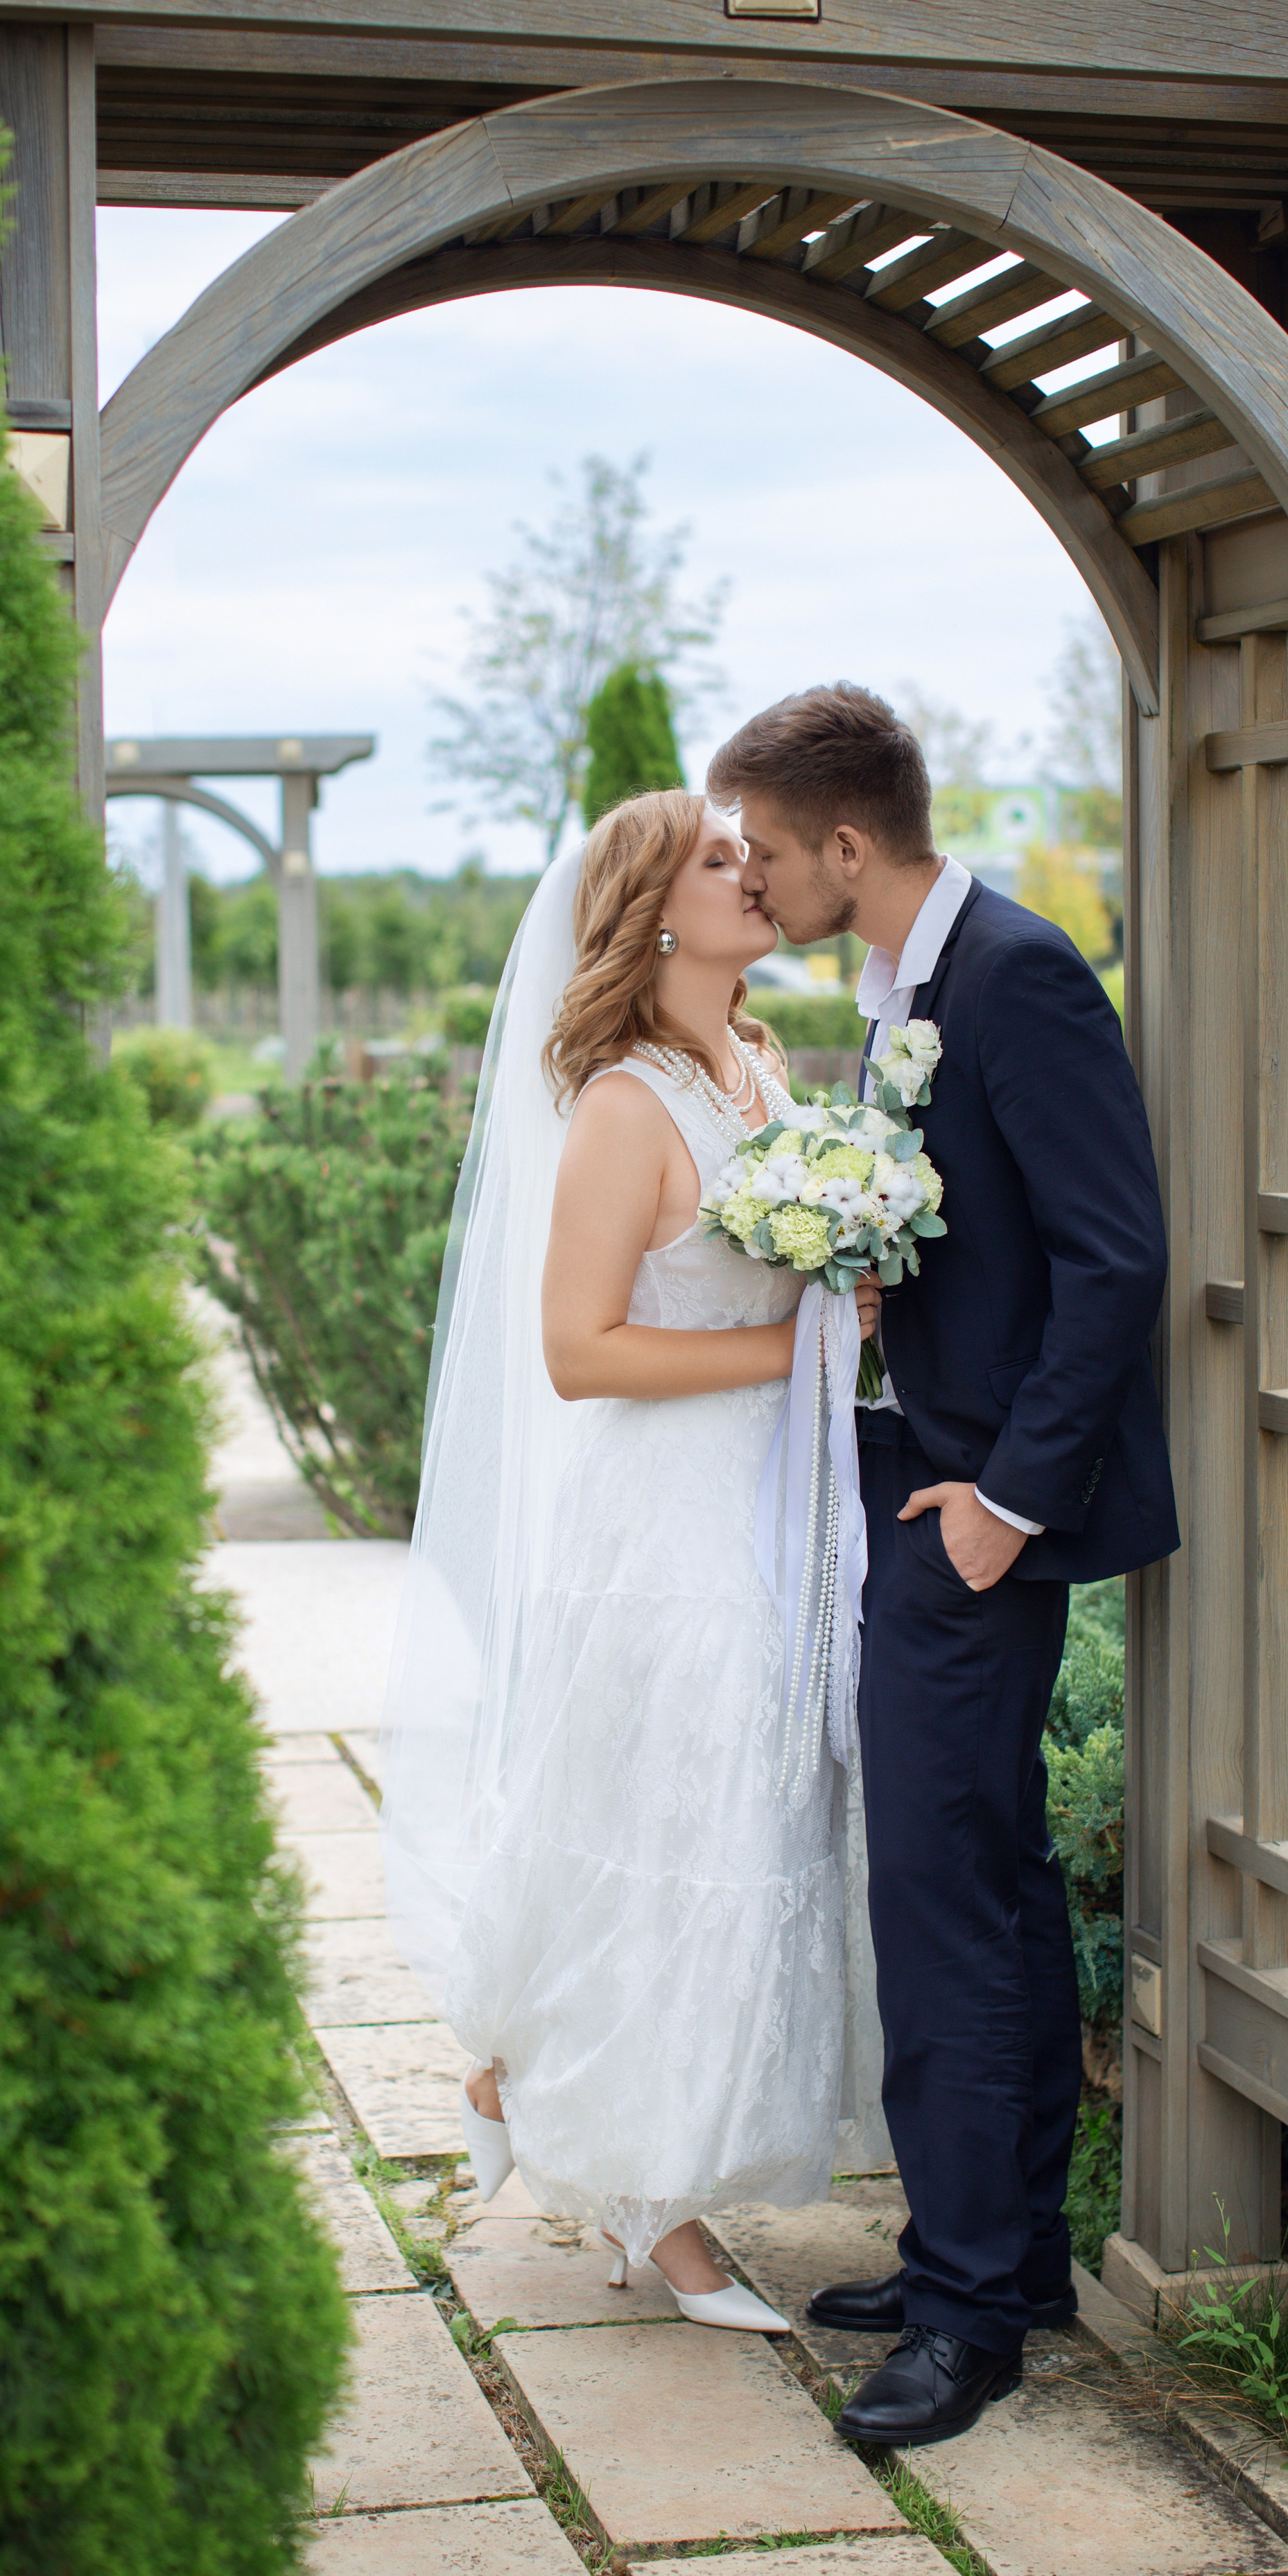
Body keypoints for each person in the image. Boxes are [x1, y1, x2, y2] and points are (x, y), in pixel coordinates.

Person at [709, 683, 1178, 2446]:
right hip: (910, 1474)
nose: (751, 879)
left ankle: (976, 2311)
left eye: (763, 850)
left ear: (847, 842)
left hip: (977, 1516)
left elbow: (1112, 1261)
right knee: (955, 1882)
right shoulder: (902, 985)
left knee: (946, 1890)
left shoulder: (1018, 974)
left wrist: (1006, 1504)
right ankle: (981, 2245)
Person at [381, 790, 887, 2329]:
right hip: (660, 1529)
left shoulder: (759, 1065)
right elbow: (576, 1351)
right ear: (657, 914)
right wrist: (780, 1345)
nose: (758, 876)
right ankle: (646, 2206)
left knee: (736, 1815)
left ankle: (517, 2073)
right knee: (679, 1832)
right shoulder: (622, 1103)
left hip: (772, 1504)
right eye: (722, 862)